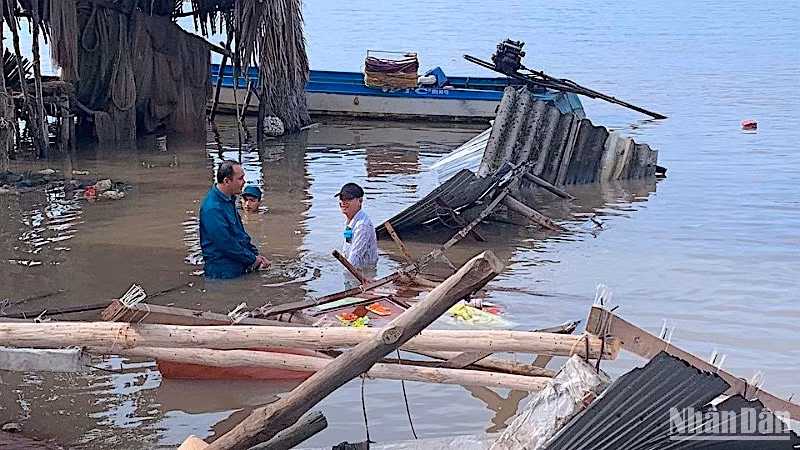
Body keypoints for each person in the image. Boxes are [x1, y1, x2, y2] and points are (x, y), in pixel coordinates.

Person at [199, 160, 269, 279]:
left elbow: (240, 234)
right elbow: (225, 243)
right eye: (240, 178)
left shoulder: (229, 199)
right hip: (222, 274)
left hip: (237, 268)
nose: (244, 182)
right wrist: (252, 259)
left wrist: (256, 255)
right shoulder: (212, 209)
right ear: (227, 181)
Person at [335, 182, 378, 269]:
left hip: (364, 272)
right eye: (342, 199)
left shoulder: (362, 225)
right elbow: (347, 249)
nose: (343, 202)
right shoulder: (349, 222)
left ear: (360, 201)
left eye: (348, 199)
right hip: (356, 268)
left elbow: (355, 257)